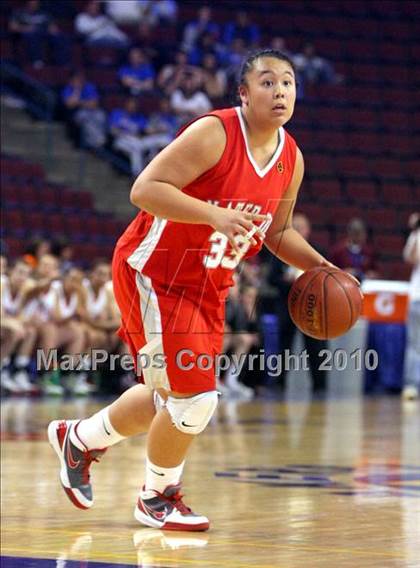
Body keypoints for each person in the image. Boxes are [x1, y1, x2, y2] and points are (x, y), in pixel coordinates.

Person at [48, 49, 339, 531]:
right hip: (156, 272)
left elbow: (278, 232)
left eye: (288, 82)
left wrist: (323, 267)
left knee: (169, 395)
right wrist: (212, 213)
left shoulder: (291, 158)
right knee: (196, 397)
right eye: (267, 82)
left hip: (209, 285)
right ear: (243, 94)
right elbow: (144, 189)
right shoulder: (215, 133)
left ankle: (80, 438)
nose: (281, 90)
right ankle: (156, 496)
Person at [402, 212, 420, 400]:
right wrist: (416, 232)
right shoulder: (416, 236)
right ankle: (412, 385)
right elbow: (412, 258)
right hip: (417, 297)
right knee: (415, 344)